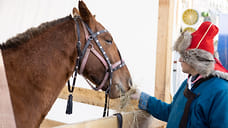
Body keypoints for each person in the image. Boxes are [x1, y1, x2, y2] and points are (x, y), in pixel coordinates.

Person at [131, 21, 228, 128]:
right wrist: (142, 98)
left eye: (183, 56)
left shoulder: (221, 91)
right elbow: (171, 113)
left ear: (195, 60)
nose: (180, 60)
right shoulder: (188, 84)